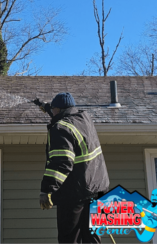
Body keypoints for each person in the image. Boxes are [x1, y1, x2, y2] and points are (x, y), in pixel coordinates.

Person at [33, 92, 110, 244]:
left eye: (54, 109)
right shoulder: (84, 119)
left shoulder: (60, 128)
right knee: (92, 238)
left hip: (75, 194)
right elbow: (65, 114)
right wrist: (46, 107)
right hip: (98, 190)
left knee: (69, 239)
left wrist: (47, 190)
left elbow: (61, 163)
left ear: (59, 110)